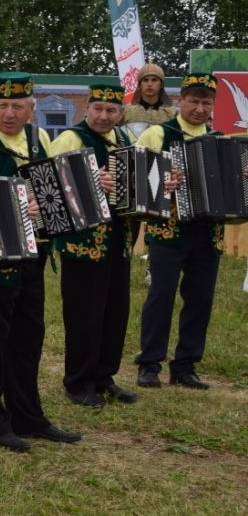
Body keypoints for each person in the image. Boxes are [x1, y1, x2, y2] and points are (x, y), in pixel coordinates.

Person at [0, 72, 81, 452]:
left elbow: (53, 188)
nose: (9, 113)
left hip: (34, 254)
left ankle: (28, 416)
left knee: (29, 337)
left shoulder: (38, 138)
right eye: (2, 106)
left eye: (17, 106)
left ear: (31, 107)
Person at [49, 82, 138, 408]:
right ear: (87, 108)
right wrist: (88, 180)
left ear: (121, 113)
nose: (103, 116)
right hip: (82, 242)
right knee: (84, 313)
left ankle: (104, 376)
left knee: (115, 311)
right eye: (98, 109)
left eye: (111, 110)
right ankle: (78, 381)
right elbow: (47, 182)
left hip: (118, 240)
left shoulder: (125, 140)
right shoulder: (71, 139)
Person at [134, 73, 223, 390]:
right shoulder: (157, 135)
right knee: (161, 297)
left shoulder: (220, 140)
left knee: (200, 299)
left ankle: (185, 365)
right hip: (168, 232)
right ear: (180, 101)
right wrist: (163, 187)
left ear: (213, 104)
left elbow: (232, 195)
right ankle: (149, 364)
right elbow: (137, 188)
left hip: (207, 233)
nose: (200, 108)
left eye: (206, 102)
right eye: (194, 101)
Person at [122, 62, 177, 140]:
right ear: (140, 84)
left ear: (161, 84)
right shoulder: (126, 111)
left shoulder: (172, 112)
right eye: (145, 80)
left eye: (154, 80)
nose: (149, 84)